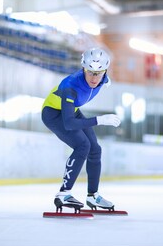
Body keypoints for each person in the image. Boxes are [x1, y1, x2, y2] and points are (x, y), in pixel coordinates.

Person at [41, 47, 121, 212]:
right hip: (53, 113)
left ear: (105, 72)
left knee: (95, 149)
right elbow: (69, 123)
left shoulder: (103, 78)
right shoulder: (70, 86)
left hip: (73, 111)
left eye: (98, 73)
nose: (94, 77)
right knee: (82, 145)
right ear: (83, 68)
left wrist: (104, 78)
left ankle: (93, 196)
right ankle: (63, 194)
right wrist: (100, 120)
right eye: (90, 72)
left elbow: (103, 78)